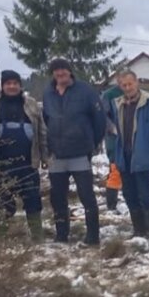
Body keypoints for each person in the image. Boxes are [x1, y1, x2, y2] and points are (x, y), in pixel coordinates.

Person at [42, 58, 106, 245]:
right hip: (56, 155)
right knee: (58, 198)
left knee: (87, 197)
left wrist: (91, 144)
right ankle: (61, 235)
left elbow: (99, 120)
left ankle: (93, 237)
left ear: (70, 71)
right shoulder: (48, 93)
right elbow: (45, 120)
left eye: (63, 69)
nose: (60, 73)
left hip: (80, 152)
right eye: (56, 70)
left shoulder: (85, 91)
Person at [109, 71, 149, 237]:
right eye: (124, 85)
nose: (128, 88)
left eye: (130, 84)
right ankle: (139, 230)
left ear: (136, 83)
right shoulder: (118, 104)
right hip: (125, 158)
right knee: (129, 195)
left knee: (145, 194)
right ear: (120, 86)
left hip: (143, 157)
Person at [0, 70, 48, 242]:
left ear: (20, 85)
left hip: (28, 163)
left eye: (15, 83)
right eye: (8, 83)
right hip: (1, 166)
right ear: (3, 86)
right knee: (2, 202)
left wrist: (45, 157)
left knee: (33, 200)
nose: (12, 86)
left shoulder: (31, 104)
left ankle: (37, 237)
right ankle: (2, 238)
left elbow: (42, 132)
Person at [101, 77, 124, 211]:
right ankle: (111, 205)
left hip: (131, 139)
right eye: (121, 81)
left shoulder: (134, 93)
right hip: (114, 139)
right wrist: (111, 127)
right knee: (115, 170)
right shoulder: (109, 95)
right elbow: (102, 115)